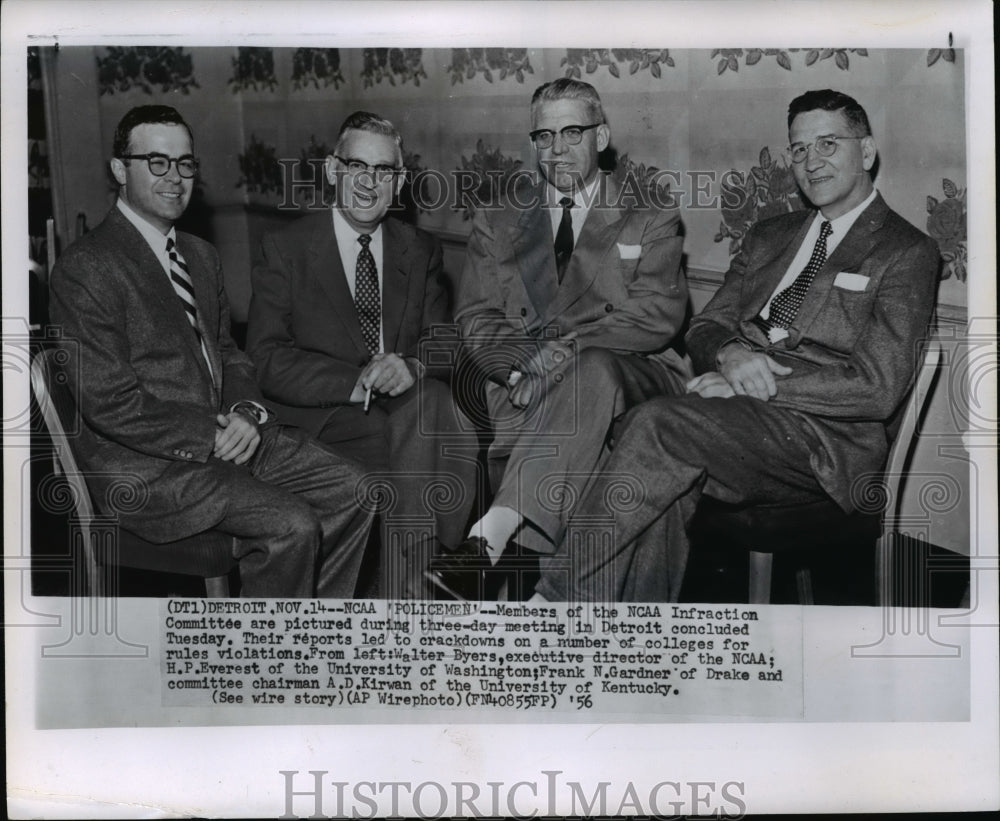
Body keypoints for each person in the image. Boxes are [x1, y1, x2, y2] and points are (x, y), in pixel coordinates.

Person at [530, 89, 941, 602]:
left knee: (659, 426)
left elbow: (878, 387)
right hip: (727, 421)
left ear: (867, 151)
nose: (811, 162)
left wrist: (752, 386)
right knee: (652, 455)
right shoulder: (769, 235)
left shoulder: (906, 250)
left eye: (828, 144)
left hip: (820, 442)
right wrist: (730, 356)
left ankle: (551, 600)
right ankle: (630, 640)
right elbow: (705, 327)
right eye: (798, 149)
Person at [49, 105, 373, 598]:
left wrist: (244, 409)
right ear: (120, 170)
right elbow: (108, 402)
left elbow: (230, 353)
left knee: (356, 489)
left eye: (185, 164)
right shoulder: (86, 268)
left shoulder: (199, 256)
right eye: (157, 162)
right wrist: (211, 435)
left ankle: (308, 640)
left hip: (225, 438)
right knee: (292, 525)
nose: (175, 177)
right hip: (148, 471)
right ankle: (267, 666)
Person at [426, 78, 691, 599]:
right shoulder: (500, 216)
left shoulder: (650, 210)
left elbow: (657, 315)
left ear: (602, 136)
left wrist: (560, 353)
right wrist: (525, 361)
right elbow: (477, 314)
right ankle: (553, 603)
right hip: (528, 384)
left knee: (591, 368)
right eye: (543, 136)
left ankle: (491, 538)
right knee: (565, 436)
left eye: (573, 132)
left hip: (636, 379)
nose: (557, 149)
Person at [247, 111, 479, 598]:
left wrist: (411, 365)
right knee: (428, 422)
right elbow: (266, 356)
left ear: (400, 182)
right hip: (323, 414)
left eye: (385, 171)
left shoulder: (418, 249)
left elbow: (444, 340)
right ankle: (429, 577)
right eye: (357, 167)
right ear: (333, 171)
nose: (370, 183)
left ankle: (405, 591)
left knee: (431, 401)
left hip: (405, 409)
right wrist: (357, 383)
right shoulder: (286, 248)